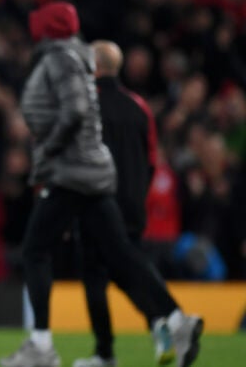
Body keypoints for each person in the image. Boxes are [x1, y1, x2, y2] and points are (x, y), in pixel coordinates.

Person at [0, 2, 202, 367]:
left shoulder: (63, 62)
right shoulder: (135, 104)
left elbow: (73, 116)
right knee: (123, 258)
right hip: (111, 188)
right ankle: (174, 320)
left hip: (73, 177)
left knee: (41, 253)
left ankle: (55, 347)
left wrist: (49, 157)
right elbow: (151, 158)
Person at [72, 41, 171, 367]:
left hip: (97, 204)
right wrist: (137, 195)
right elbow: (152, 159)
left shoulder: (85, 103)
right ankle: (159, 322)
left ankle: (105, 353)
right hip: (132, 206)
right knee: (130, 270)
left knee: (95, 278)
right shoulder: (139, 106)